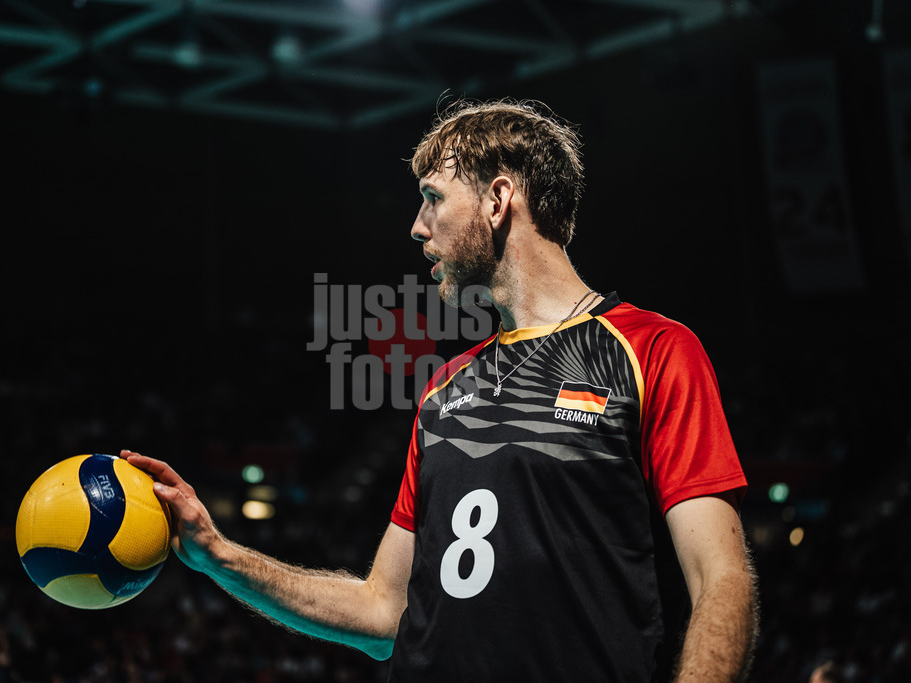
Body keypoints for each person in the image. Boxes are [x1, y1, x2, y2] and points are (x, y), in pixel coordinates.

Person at [122, 98, 759, 681]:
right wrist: (219, 554)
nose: (417, 227)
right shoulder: (444, 392)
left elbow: (722, 581)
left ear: (498, 199)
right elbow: (383, 610)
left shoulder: (652, 350)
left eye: (433, 198)